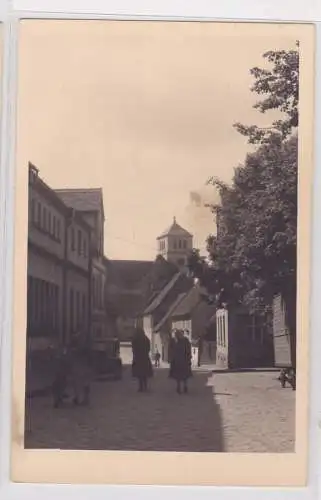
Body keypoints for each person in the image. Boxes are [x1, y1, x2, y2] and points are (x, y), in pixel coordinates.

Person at [69, 334, 92, 406]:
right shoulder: (85, 345)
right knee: (82, 382)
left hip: (80, 366)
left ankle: (82, 398)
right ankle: (83, 398)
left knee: (79, 382)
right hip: (83, 365)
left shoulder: (80, 348)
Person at [169, 329, 192, 394]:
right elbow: (171, 350)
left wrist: (189, 357)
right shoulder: (176, 341)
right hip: (181, 361)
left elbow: (188, 350)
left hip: (179, 361)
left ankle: (181, 386)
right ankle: (182, 386)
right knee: (182, 375)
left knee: (180, 375)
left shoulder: (178, 341)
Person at [132, 328, 153, 392]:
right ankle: (145, 387)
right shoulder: (146, 339)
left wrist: (135, 355)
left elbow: (134, 349)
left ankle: (141, 387)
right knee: (144, 374)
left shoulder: (135, 339)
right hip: (145, 358)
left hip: (138, 358)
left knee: (140, 374)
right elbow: (148, 348)